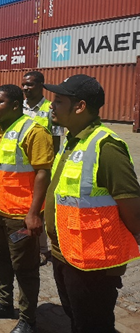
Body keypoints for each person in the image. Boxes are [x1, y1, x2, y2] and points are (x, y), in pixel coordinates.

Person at [43, 74, 140, 333]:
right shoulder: (73, 140)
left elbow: (133, 210)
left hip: (93, 264)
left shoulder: (106, 147)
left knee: (93, 325)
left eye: (59, 100)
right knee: (77, 318)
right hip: (66, 253)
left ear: (80, 106)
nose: (52, 105)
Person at [0, 84, 54, 333]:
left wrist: (34, 213)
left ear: (16, 105)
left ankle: (28, 319)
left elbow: (43, 172)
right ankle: (3, 303)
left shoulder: (33, 131)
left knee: (25, 267)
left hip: (20, 215)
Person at [22, 71, 65, 266]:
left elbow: (56, 141)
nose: (25, 88)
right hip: (21, 167)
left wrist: (49, 167)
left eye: (30, 84)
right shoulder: (18, 107)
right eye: (23, 84)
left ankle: (42, 249)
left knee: (39, 208)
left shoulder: (50, 109)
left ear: (41, 85)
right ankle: (25, 241)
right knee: (25, 205)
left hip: (42, 167)